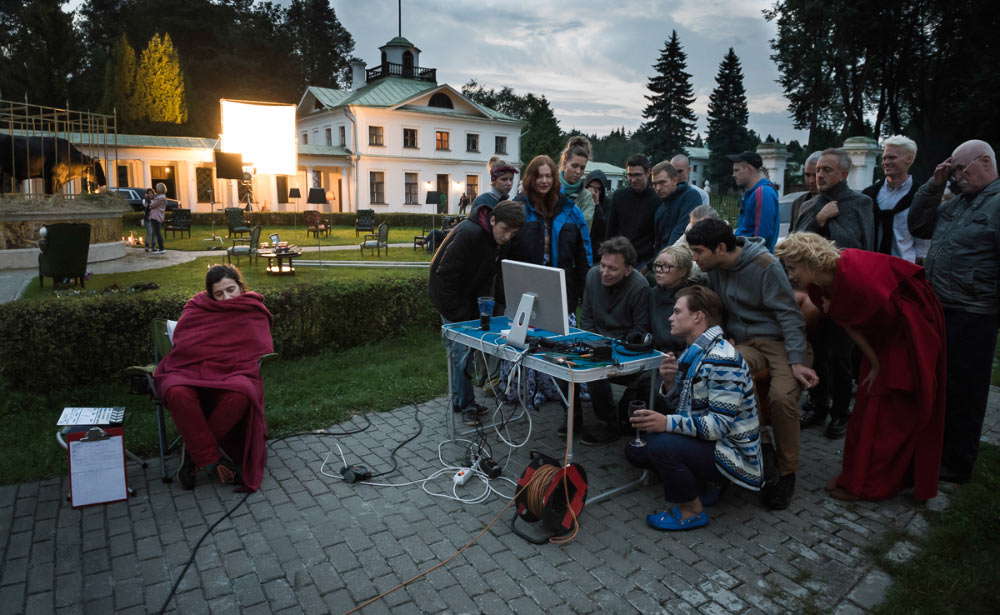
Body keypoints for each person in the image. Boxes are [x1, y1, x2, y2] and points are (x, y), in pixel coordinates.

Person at [775, 232, 946, 501]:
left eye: (793, 268)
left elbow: (885, 320)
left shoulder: (856, 279)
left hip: (906, 336)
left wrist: (881, 364)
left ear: (810, 261)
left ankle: (876, 484)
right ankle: (857, 477)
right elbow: (848, 322)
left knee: (891, 413)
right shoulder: (820, 283)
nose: (790, 275)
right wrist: (875, 362)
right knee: (867, 410)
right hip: (881, 340)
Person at [685, 218, 817, 510]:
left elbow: (790, 317)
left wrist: (796, 361)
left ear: (720, 248)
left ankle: (786, 472)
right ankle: (763, 449)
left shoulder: (764, 265)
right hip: (743, 342)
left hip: (780, 342)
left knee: (782, 397)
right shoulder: (715, 268)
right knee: (721, 371)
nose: (694, 257)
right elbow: (717, 309)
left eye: (698, 251)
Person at [627, 285, 761, 531]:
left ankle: (691, 510)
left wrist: (665, 423)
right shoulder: (697, 351)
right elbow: (686, 408)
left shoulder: (723, 360)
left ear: (698, 316)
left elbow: (718, 426)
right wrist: (669, 383)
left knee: (660, 446)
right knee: (636, 451)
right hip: (710, 441)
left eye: (677, 311)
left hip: (733, 453)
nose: (670, 317)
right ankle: (707, 484)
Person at [908, 138, 1000, 484]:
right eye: (954, 169)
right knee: (943, 384)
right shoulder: (958, 204)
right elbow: (918, 226)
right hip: (942, 307)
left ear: (985, 162)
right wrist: (933, 185)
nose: (956, 176)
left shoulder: (996, 204)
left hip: (975, 312)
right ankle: (939, 450)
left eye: (962, 169)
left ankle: (959, 462)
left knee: (967, 389)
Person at [154, 265, 274, 491]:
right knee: (176, 392)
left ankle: (193, 454)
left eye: (231, 290)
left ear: (240, 286)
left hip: (234, 371)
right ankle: (211, 461)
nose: (227, 298)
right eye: (219, 294)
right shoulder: (196, 309)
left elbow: (259, 348)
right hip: (189, 370)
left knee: (241, 394)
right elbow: (184, 347)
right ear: (210, 295)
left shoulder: (252, 309)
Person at [496, 155, 592, 411]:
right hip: (526, 287)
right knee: (525, 339)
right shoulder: (518, 207)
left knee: (559, 339)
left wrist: (585, 289)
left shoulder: (571, 210)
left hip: (562, 288)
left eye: (549, 175)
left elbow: (584, 253)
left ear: (555, 177)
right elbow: (504, 251)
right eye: (539, 175)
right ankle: (522, 389)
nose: (544, 180)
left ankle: (556, 389)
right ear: (530, 178)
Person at [429, 200, 526, 426]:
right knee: (461, 353)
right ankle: (467, 406)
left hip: (466, 301)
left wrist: (482, 308)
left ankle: (460, 400)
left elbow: (484, 277)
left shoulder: (491, 238)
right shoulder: (470, 234)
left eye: (513, 233)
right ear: (492, 220)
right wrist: (458, 312)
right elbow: (445, 275)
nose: (508, 237)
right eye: (505, 230)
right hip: (450, 300)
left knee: (463, 352)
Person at [578, 236, 651, 445]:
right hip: (595, 342)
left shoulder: (640, 286)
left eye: (612, 268)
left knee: (600, 371)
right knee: (565, 361)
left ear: (628, 269)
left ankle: (611, 422)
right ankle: (572, 416)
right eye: (602, 265)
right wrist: (594, 342)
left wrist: (613, 347)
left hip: (624, 348)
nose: (604, 272)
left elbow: (640, 328)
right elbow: (586, 317)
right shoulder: (592, 276)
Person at [862, 135, 928, 262]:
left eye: (892, 157)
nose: (886, 162)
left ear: (909, 159)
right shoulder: (869, 195)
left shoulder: (920, 197)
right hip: (870, 266)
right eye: (884, 158)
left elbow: (922, 246)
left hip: (903, 269)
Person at [793, 149, 874, 251]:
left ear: (843, 175)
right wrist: (819, 220)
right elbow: (795, 246)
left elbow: (867, 247)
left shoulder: (861, 203)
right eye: (818, 170)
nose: (820, 175)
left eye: (827, 170)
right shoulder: (807, 206)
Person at [607, 153, 661, 271]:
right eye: (629, 175)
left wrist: (650, 264)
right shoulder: (619, 196)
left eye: (637, 175)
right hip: (618, 257)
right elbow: (610, 230)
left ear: (648, 173)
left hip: (643, 260)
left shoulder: (657, 200)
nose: (633, 179)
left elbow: (659, 237)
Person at [648, 245, 697, 356]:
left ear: (682, 272)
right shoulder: (651, 293)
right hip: (654, 354)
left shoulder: (694, 297)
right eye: (657, 265)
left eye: (666, 266)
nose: (659, 270)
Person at [728, 151, 780, 251]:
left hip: (753, 260)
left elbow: (762, 238)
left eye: (737, 170)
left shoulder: (763, 193)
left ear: (749, 169)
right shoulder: (753, 193)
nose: (733, 175)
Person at [651, 160, 702, 251]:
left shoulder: (691, 196)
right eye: (654, 184)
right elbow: (658, 244)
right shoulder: (660, 210)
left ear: (674, 180)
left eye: (662, 183)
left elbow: (681, 233)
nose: (658, 188)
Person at [558, 136, 597, 230]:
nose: (578, 171)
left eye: (582, 168)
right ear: (564, 163)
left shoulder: (586, 198)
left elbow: (583, 230)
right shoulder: (549, 188)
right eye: (574, 166)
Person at [789, 152, 821, 231]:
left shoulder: (835, 203)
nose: (811, 181)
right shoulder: (798, 203)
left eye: (815, 175)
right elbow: (792, 233)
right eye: (807, 175)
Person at [584, 168, 611, 246]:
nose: (593, 192)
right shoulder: (580, 200)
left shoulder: (608, 203)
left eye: (598, 189)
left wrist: (596, 203)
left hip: (598, 248)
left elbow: (604, 229)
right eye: (591, 187)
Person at [148, 182, 167, 254]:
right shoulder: (162, 197)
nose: (156, 189)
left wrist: (150, 204)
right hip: (158, 216)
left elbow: (152, 205)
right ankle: (161, 249)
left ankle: (161, 249)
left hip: (156, 216)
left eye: (157, 187)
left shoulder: (160, 198)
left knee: (157, 233)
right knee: (157, 232)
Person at [142, 188, 155, 252]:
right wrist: (147, 199)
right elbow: (145, 205)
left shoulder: (155, 200)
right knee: (150, 232)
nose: (151, 194)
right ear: (147, 194)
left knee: (154, 233)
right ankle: (146, 246)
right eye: (149, 193)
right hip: (147, 219)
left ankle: (153, 247)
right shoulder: (145, 200)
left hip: (154, 218)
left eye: (151, 193)